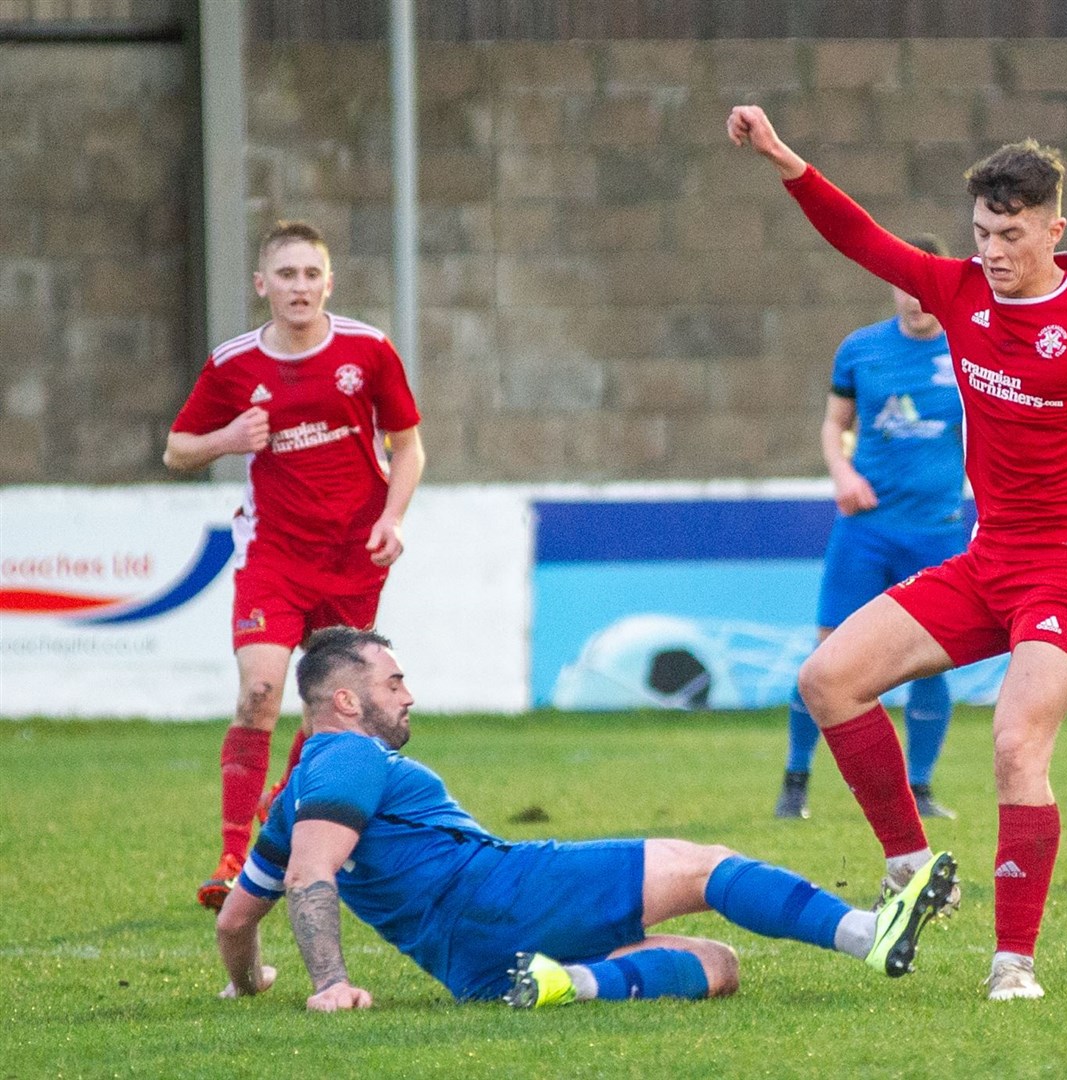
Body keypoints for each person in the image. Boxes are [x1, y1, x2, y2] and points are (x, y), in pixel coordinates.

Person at [728, 105, 1067, 1001]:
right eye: (981, 232)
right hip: (987, 559)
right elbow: (858, 237)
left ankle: (1014, 963)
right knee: (826, 680)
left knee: (1015, 747)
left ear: (1055, 228)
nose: (994, 251)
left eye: (1010, 235)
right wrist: (783, 158)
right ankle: (910, 865)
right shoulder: (958, 288)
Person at [214, 627, 957, 1010]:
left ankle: (569, 983)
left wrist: (250, 982)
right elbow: (314, 873)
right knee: (701, 864)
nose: (408, 695)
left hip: (469, 966)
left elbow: (235, 923)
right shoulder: (348, 755)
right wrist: (329, 983)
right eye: (394, 680)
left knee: (716, 966)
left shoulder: (290, 801)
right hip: (500, 891)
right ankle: (868, 933)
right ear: (345, 701)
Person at [165, 220, 425, 912]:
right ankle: (229, 855)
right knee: (259, 693)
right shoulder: (233, 364)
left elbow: (410, 446)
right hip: (274, 555)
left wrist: (391, 518)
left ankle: (277, 814)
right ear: (262, 286)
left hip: (352, 558)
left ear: (328, 283)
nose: (299, 287)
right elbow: (176, 449)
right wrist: (226, 438)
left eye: (311, 274)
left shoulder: (367, 350)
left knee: (326, 708)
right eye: (286, 275)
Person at [778, 235, 968, 822]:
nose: (916, 302)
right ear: (892, 287)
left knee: (930, 661)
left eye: (926, 290)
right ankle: (796, 779)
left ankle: (921, 787)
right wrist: (840, 472)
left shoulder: (969, 352)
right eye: (905, 289)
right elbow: (835, 424)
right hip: (866, 529)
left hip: (937, 533)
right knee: (828, 654)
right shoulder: (860, 351)